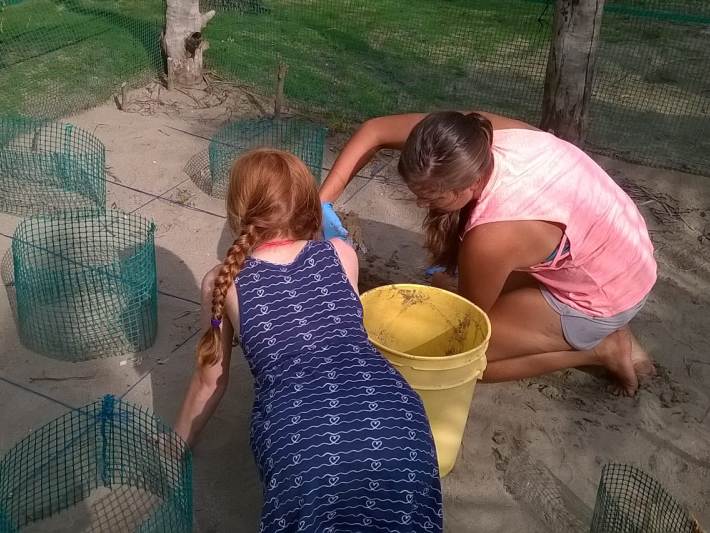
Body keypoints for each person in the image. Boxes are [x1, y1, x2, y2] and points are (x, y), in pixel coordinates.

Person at [174, 149, 443, 532]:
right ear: (308, 205)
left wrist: (175, 442)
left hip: (305, 438)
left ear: (237, 213)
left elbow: (209, 382)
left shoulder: (223, 282)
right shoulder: (341, 253)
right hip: (397, 420)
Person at [319, 111, 657, 396]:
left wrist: (449, 291)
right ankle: (588, 326)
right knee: (468, 280)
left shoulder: (491, 238)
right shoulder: (466, 138)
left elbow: (470, 321)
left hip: (606, 290)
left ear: (468, 186)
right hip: (620, 248)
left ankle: (602, 350)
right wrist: (320, 203)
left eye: (431, 198)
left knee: (466, 362)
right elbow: (375, 130)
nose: (421, 204)